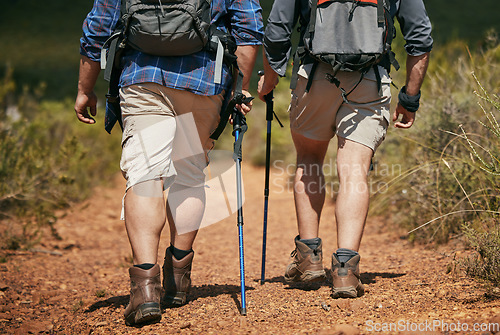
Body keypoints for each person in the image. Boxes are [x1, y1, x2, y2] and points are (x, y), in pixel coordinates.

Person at [75, 0, 263, 326]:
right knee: (189, 174)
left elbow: (98, 27)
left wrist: (84, 89)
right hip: (204, 82)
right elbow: (249, 30)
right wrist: (240, 89)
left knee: (145, 175)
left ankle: (145, 289)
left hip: (143, 79)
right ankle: (177, 278)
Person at [258, 0, 432, 298]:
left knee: (309, 159)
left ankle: (309, 259)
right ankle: (345, 271)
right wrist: (410, 97)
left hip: (314, 78)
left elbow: (277, 30)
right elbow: (420, 36)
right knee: (354, 170)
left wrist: (270, 77)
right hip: (371, 80)